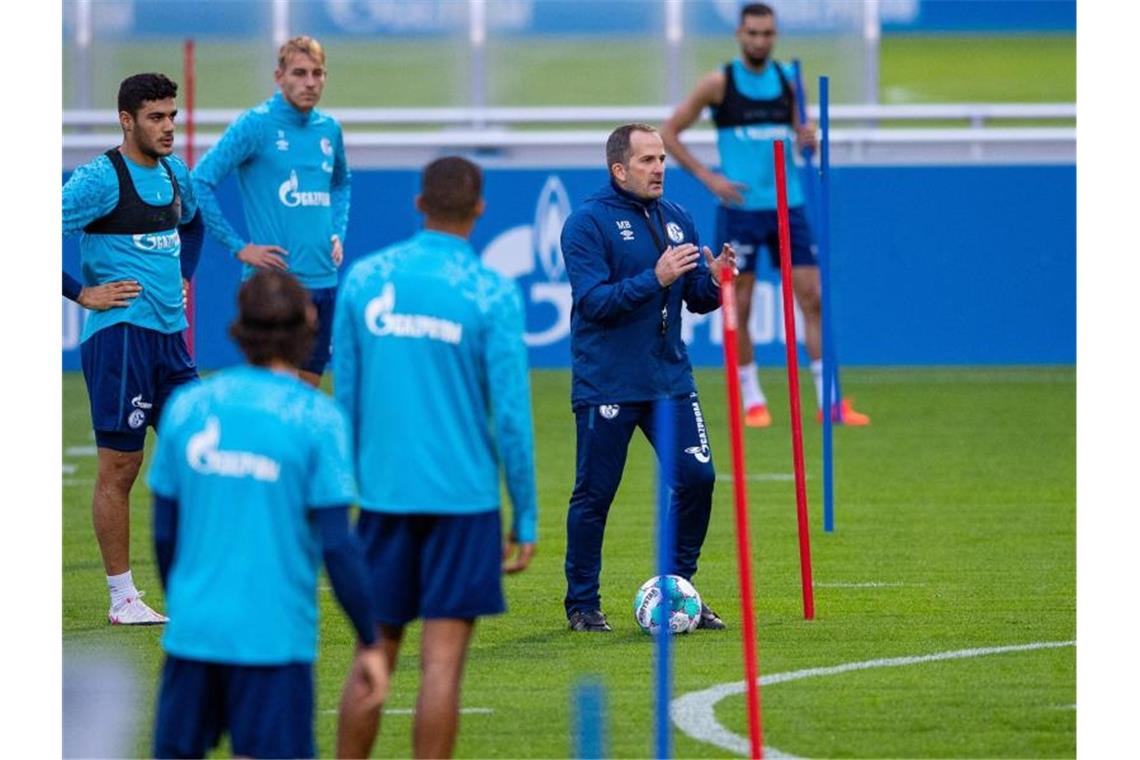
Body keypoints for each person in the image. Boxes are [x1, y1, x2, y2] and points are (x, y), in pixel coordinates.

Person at [332, 156, 537, 759]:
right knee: (441, 666)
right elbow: (511, 418)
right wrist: (523, 514)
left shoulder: (366, 279)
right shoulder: (491, 290)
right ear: (479, 209)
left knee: (374, 655)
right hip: (463, 502)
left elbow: (346, 398)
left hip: (384, 499)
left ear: (418, 204)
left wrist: (347, 491)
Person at [147, 271, 387, 759]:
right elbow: (339, 547)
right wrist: (370, 639)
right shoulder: (317, 419)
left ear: (240, 326)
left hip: (195, 635)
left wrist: (192, 602)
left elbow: (165, 534)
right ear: (310, 323)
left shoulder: (190, 407)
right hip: (275, 640)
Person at [560, 123, 737, 633]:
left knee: (698, 480)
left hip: (670, 380)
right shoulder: (587, 224)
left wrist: (716, 279)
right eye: (648, 160)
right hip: (608, 383)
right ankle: (582, 604)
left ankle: (680, 592)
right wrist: (654, 277)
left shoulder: (677, 217)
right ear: (619, 169)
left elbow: (698, 298)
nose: (660, 168)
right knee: (596, 494)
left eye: (662, 158)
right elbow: (593, 303)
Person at [661, 1, 869, 427]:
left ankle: (829, 400)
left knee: (812, 297)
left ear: (775, 36)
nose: (760, 40)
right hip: (740, 210)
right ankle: (753, 399)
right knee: (741, 302)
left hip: (788, 207)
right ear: (740, 35)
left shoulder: (789, 81)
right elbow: (669, 133)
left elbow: (802, 139)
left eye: (767, 33)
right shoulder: (719, 83)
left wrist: (809, 138)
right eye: (753, 33)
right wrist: (708, 178)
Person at [61, 72, 205, 625]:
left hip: (172, 343)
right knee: (121, 469)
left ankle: (200, 581)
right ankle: (123, 598)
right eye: (156, 117)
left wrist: (184, 275)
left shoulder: (175, 174)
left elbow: (192, 228)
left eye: (172, 115)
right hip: (120, 341)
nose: (168, 127)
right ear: (127, 120)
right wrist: (82, 292)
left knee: (201, 455)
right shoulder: (99, 180)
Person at [192, 34, 349, 388]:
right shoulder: (255, 125)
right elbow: (200, 181)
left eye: (317, 73)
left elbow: (341, 182)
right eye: (299, 73)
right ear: (279, 77)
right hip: (276, 284)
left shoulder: (329, 129)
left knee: (305, 395)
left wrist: (336, 230)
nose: (310, 82)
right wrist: (239, 247)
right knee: (274, 392)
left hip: (324, 280)